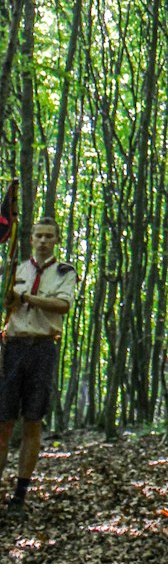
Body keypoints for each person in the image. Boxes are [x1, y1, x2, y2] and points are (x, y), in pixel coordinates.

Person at [0, 216, 78, 515]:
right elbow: (7, 303)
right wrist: (9, 297)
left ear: (56, 240)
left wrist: (27, 298)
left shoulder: (64, 272)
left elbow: (64, 305)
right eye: (38, 235)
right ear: (30, 238)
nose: (43, 241)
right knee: (3, 422)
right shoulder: (16, 270)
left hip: (43, 348)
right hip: (13, 347)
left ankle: (20, 494)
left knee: (33, 420)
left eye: (49, 236)